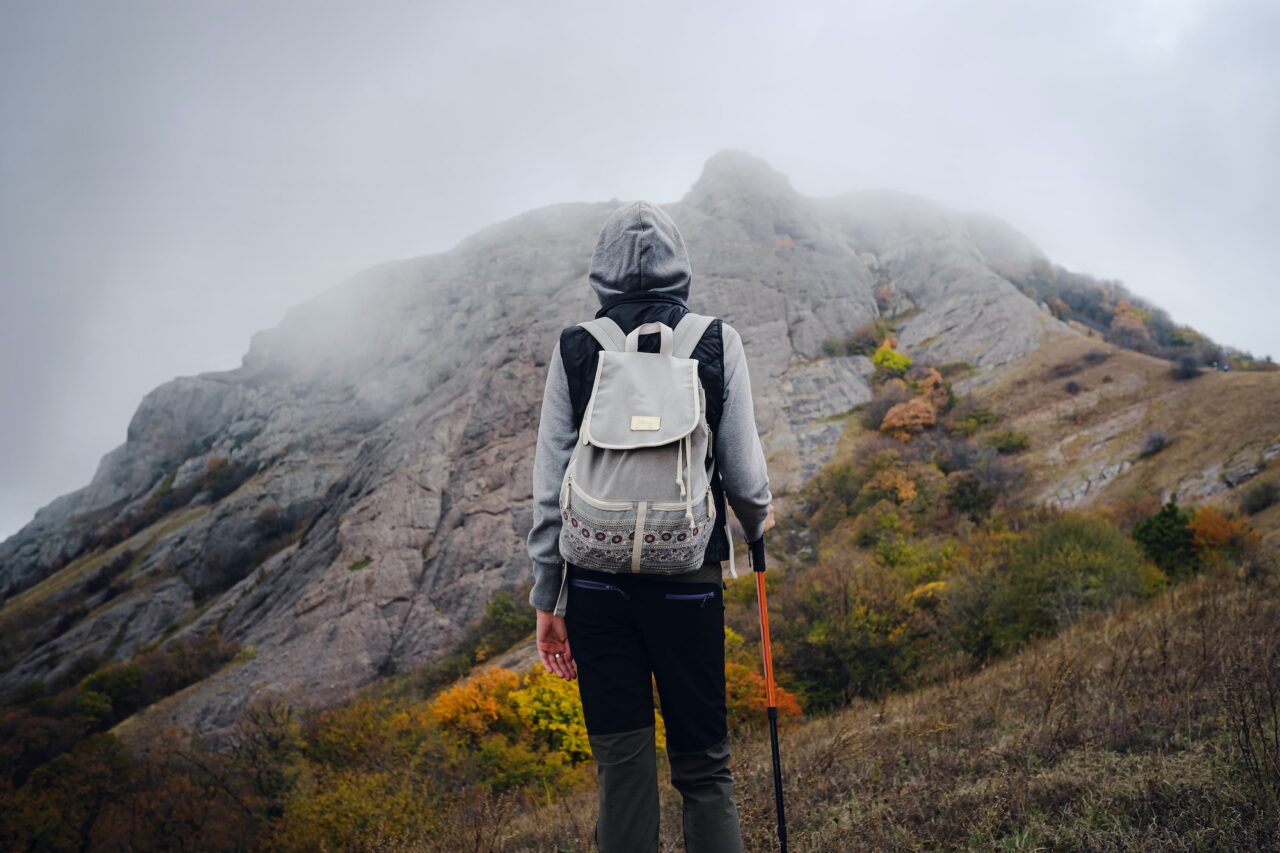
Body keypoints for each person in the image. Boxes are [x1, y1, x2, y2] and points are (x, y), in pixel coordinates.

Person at [526, 199, 773, 852]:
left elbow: (551, 487)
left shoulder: (575, 348)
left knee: (623, 772)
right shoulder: (717, 341)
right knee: (704, 768)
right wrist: (758, 527)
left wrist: (549, 596)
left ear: (601, 276)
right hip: (688, 580)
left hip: (596, 587)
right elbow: (747, 480)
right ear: (680, 271)